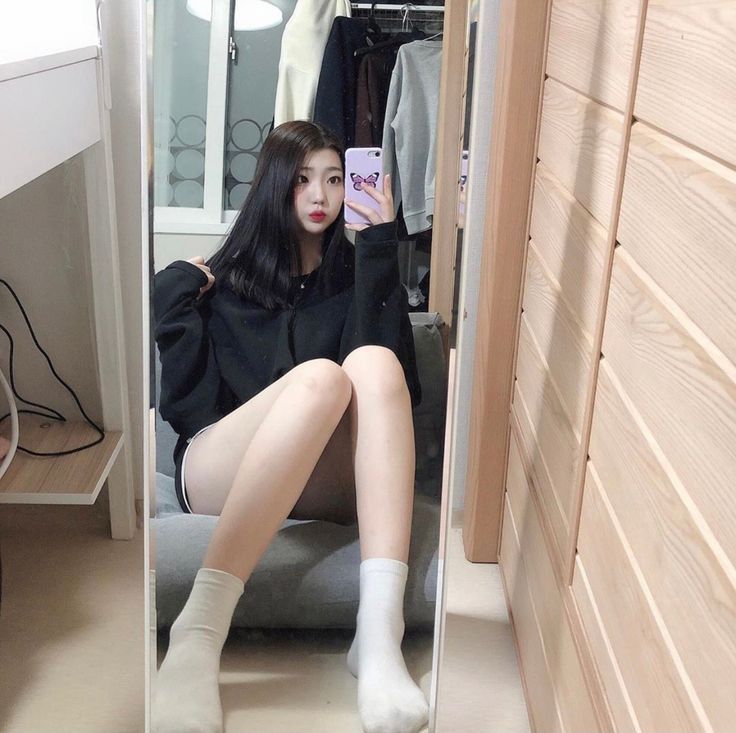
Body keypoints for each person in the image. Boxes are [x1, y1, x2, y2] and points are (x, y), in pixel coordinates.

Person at [152, 120, 429, 733]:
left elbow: (395, 391)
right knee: (320, 379)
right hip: (217, 469)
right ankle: (198, 634)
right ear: (276, 185)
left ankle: (378, 636)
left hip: (322, 482)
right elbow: (186, 410)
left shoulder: (352, 279)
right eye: (303, 179)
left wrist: (377, 247)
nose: (320, 195)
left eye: (334, 179)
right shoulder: (221, 285)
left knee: (370, 365)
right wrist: (178, 283)